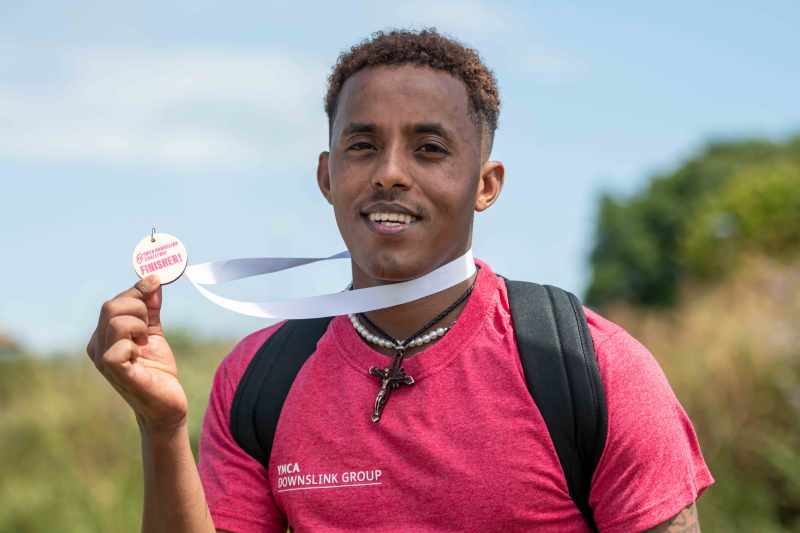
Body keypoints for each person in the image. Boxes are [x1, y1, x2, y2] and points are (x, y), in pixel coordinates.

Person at [87, 28, 714, 532]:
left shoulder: (594, 370)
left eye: (430, 149)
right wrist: (162, 428)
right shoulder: (256, 381)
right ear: (327, 176)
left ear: (486, 185)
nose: (389, 173)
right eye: (362, 145)